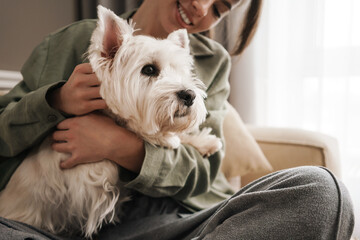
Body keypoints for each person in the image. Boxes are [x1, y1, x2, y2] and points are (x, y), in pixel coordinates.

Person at [0, 0, 354, 239]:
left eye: (219, 8)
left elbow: (203, 172)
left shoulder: (211, 61)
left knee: (323, 192)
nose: (200, 7)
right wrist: (56, 100)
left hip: (160, 222)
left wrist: (120, 146)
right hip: (42, 224)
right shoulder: (71, 41)